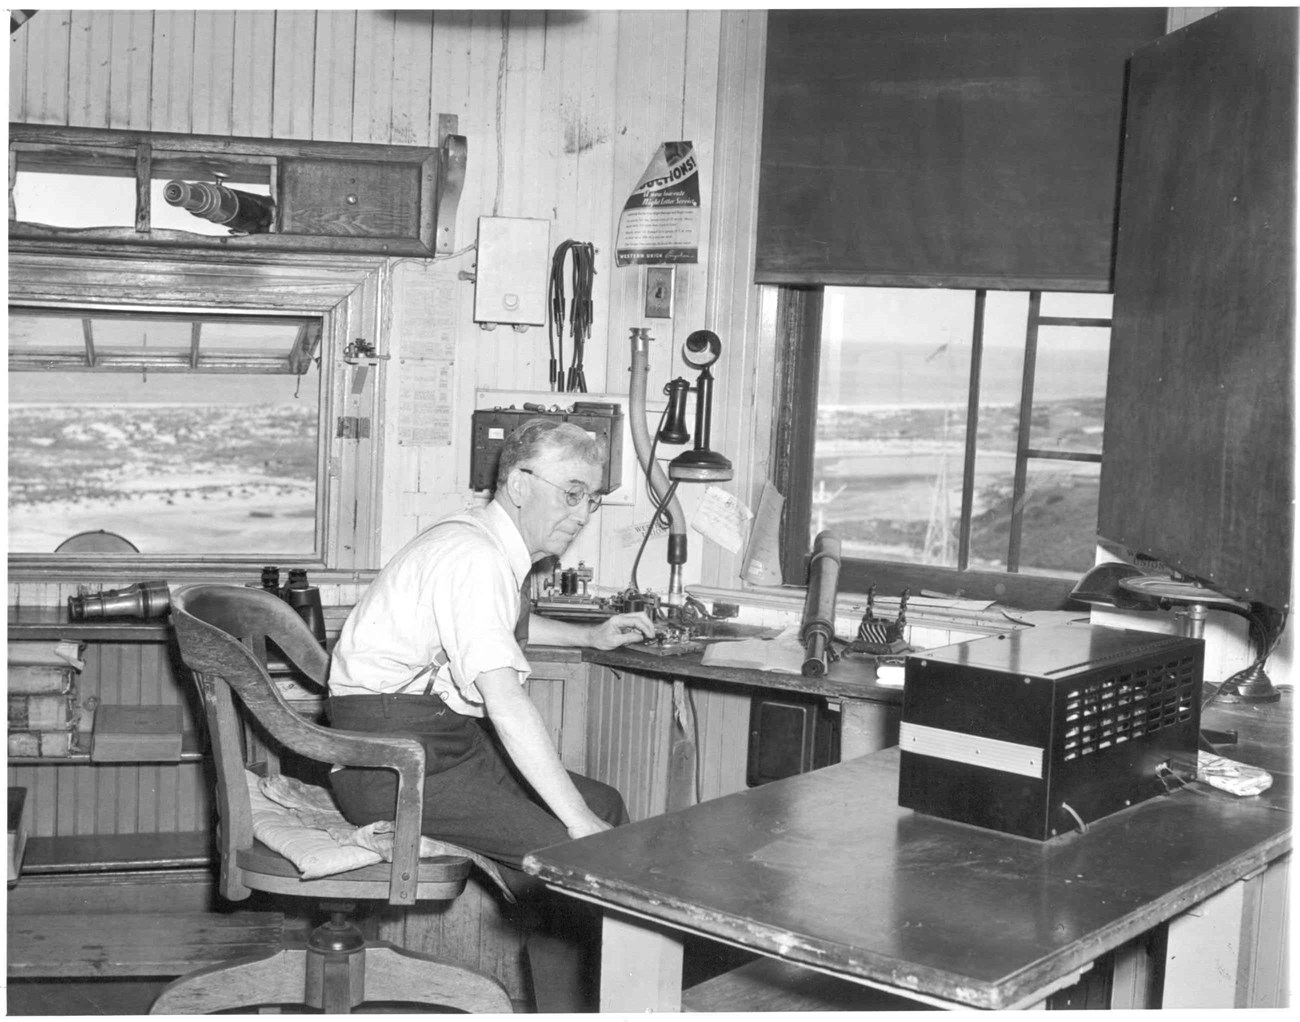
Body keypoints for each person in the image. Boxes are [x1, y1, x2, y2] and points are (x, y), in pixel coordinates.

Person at [327, 417, 655, 1012]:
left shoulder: (481, 540)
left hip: (432, 744)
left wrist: (595, 635)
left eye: (593, 499)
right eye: (573, 492)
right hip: (393, 765)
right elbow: (505, 700)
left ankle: (595, 999)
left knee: (604, 805)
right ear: (521, 484)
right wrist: (576, 822)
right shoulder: (475, 556)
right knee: (576, 849)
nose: (582, 513)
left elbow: (503, 629)